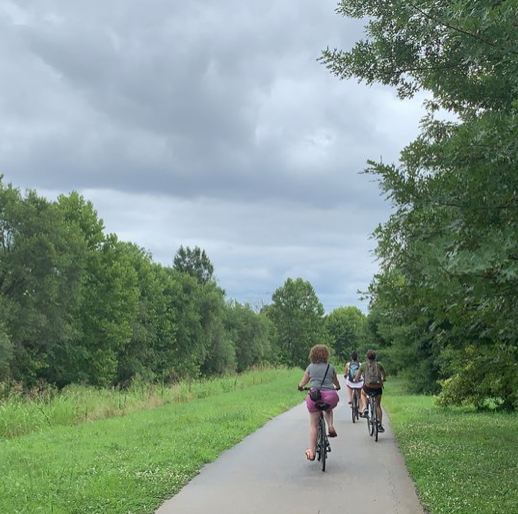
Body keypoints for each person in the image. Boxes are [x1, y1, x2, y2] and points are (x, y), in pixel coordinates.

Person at [298, 344, 341, 461]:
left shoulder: (310, 367)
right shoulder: (330, 367)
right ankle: (331, 426)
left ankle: (311, 452)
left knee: (313, 424)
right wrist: (337, 386)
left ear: (313, 354)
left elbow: (303, 382)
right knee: (328, 408)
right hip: (330, 396)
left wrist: (301, 387)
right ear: (326, 355)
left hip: (314, 397)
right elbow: (335, 381)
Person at [354, 349, 386, 432]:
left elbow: (357, 377)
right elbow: (384, 375)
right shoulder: (379, 364)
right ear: (375, 356)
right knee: (378, 405)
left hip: (368, 387)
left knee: (363, 393)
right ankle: (379, 425)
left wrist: (356, 380)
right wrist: (383, 380)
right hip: (377, 388)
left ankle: (365, 408)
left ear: (367, 357)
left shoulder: (364, 365)